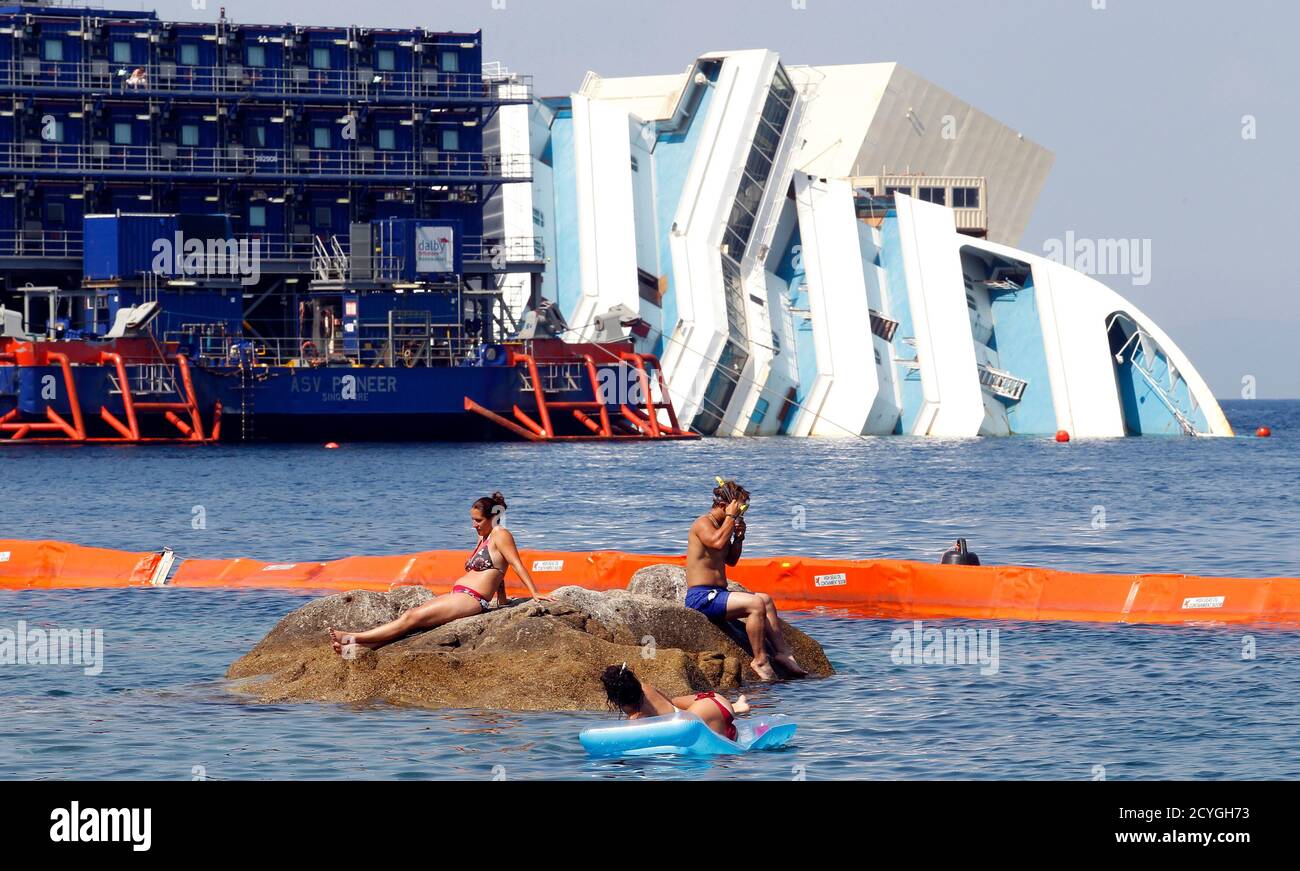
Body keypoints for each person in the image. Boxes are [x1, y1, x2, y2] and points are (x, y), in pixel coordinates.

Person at [329, 492, 547, 654]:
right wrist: (502, 598)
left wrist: (534, 593)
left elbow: (514, 564)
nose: (474, 525)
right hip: (458, 595)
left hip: (472, 599)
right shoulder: (483, 537)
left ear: (492, 518)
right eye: (472, 520)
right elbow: (498, 570)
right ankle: (359, 649)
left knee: (411, 617)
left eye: (478, 520)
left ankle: (353, 637)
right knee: (414, 622)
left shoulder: (501, 534)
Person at [685, 479, 807, 680]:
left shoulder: (724, 524)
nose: (742, 512)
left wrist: (739, 539)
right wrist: (731, 518)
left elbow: (731, 560)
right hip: (701, 597)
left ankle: (784, 653)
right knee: (755, 604)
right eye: (741, 507)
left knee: (765, 600)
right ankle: (760, 660)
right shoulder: (702, 523)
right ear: (724, 505)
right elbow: (716, 543)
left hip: (719, 595)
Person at [600, 663, 749, 741]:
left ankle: (736, 709)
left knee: (686, 721)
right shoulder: (646, 687)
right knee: (675, 702)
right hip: (716, 700)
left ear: (614, 698)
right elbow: (669, 703)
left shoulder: (636, 717)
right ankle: (736, 706)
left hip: (706, 714)